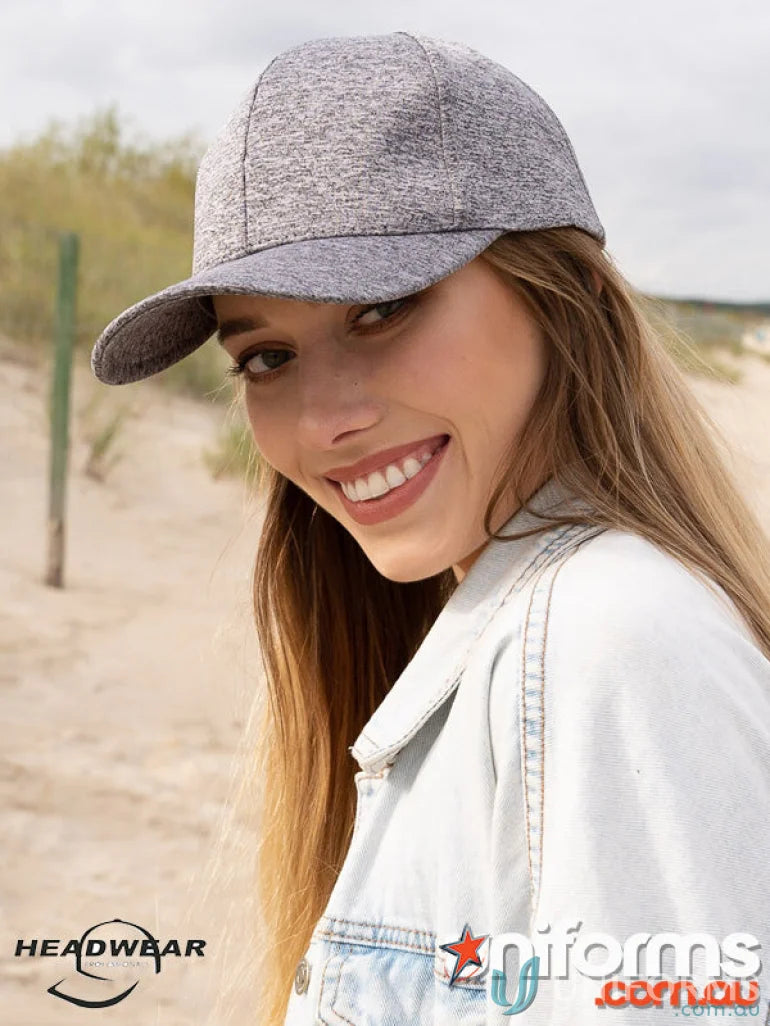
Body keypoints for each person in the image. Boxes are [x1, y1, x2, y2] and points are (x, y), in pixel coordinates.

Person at [91, 31, 770, 1026]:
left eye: (383, 310)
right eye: (267, 357)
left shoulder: (608, 639)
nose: (325, 422)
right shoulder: (515, 638)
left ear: (569, 300)